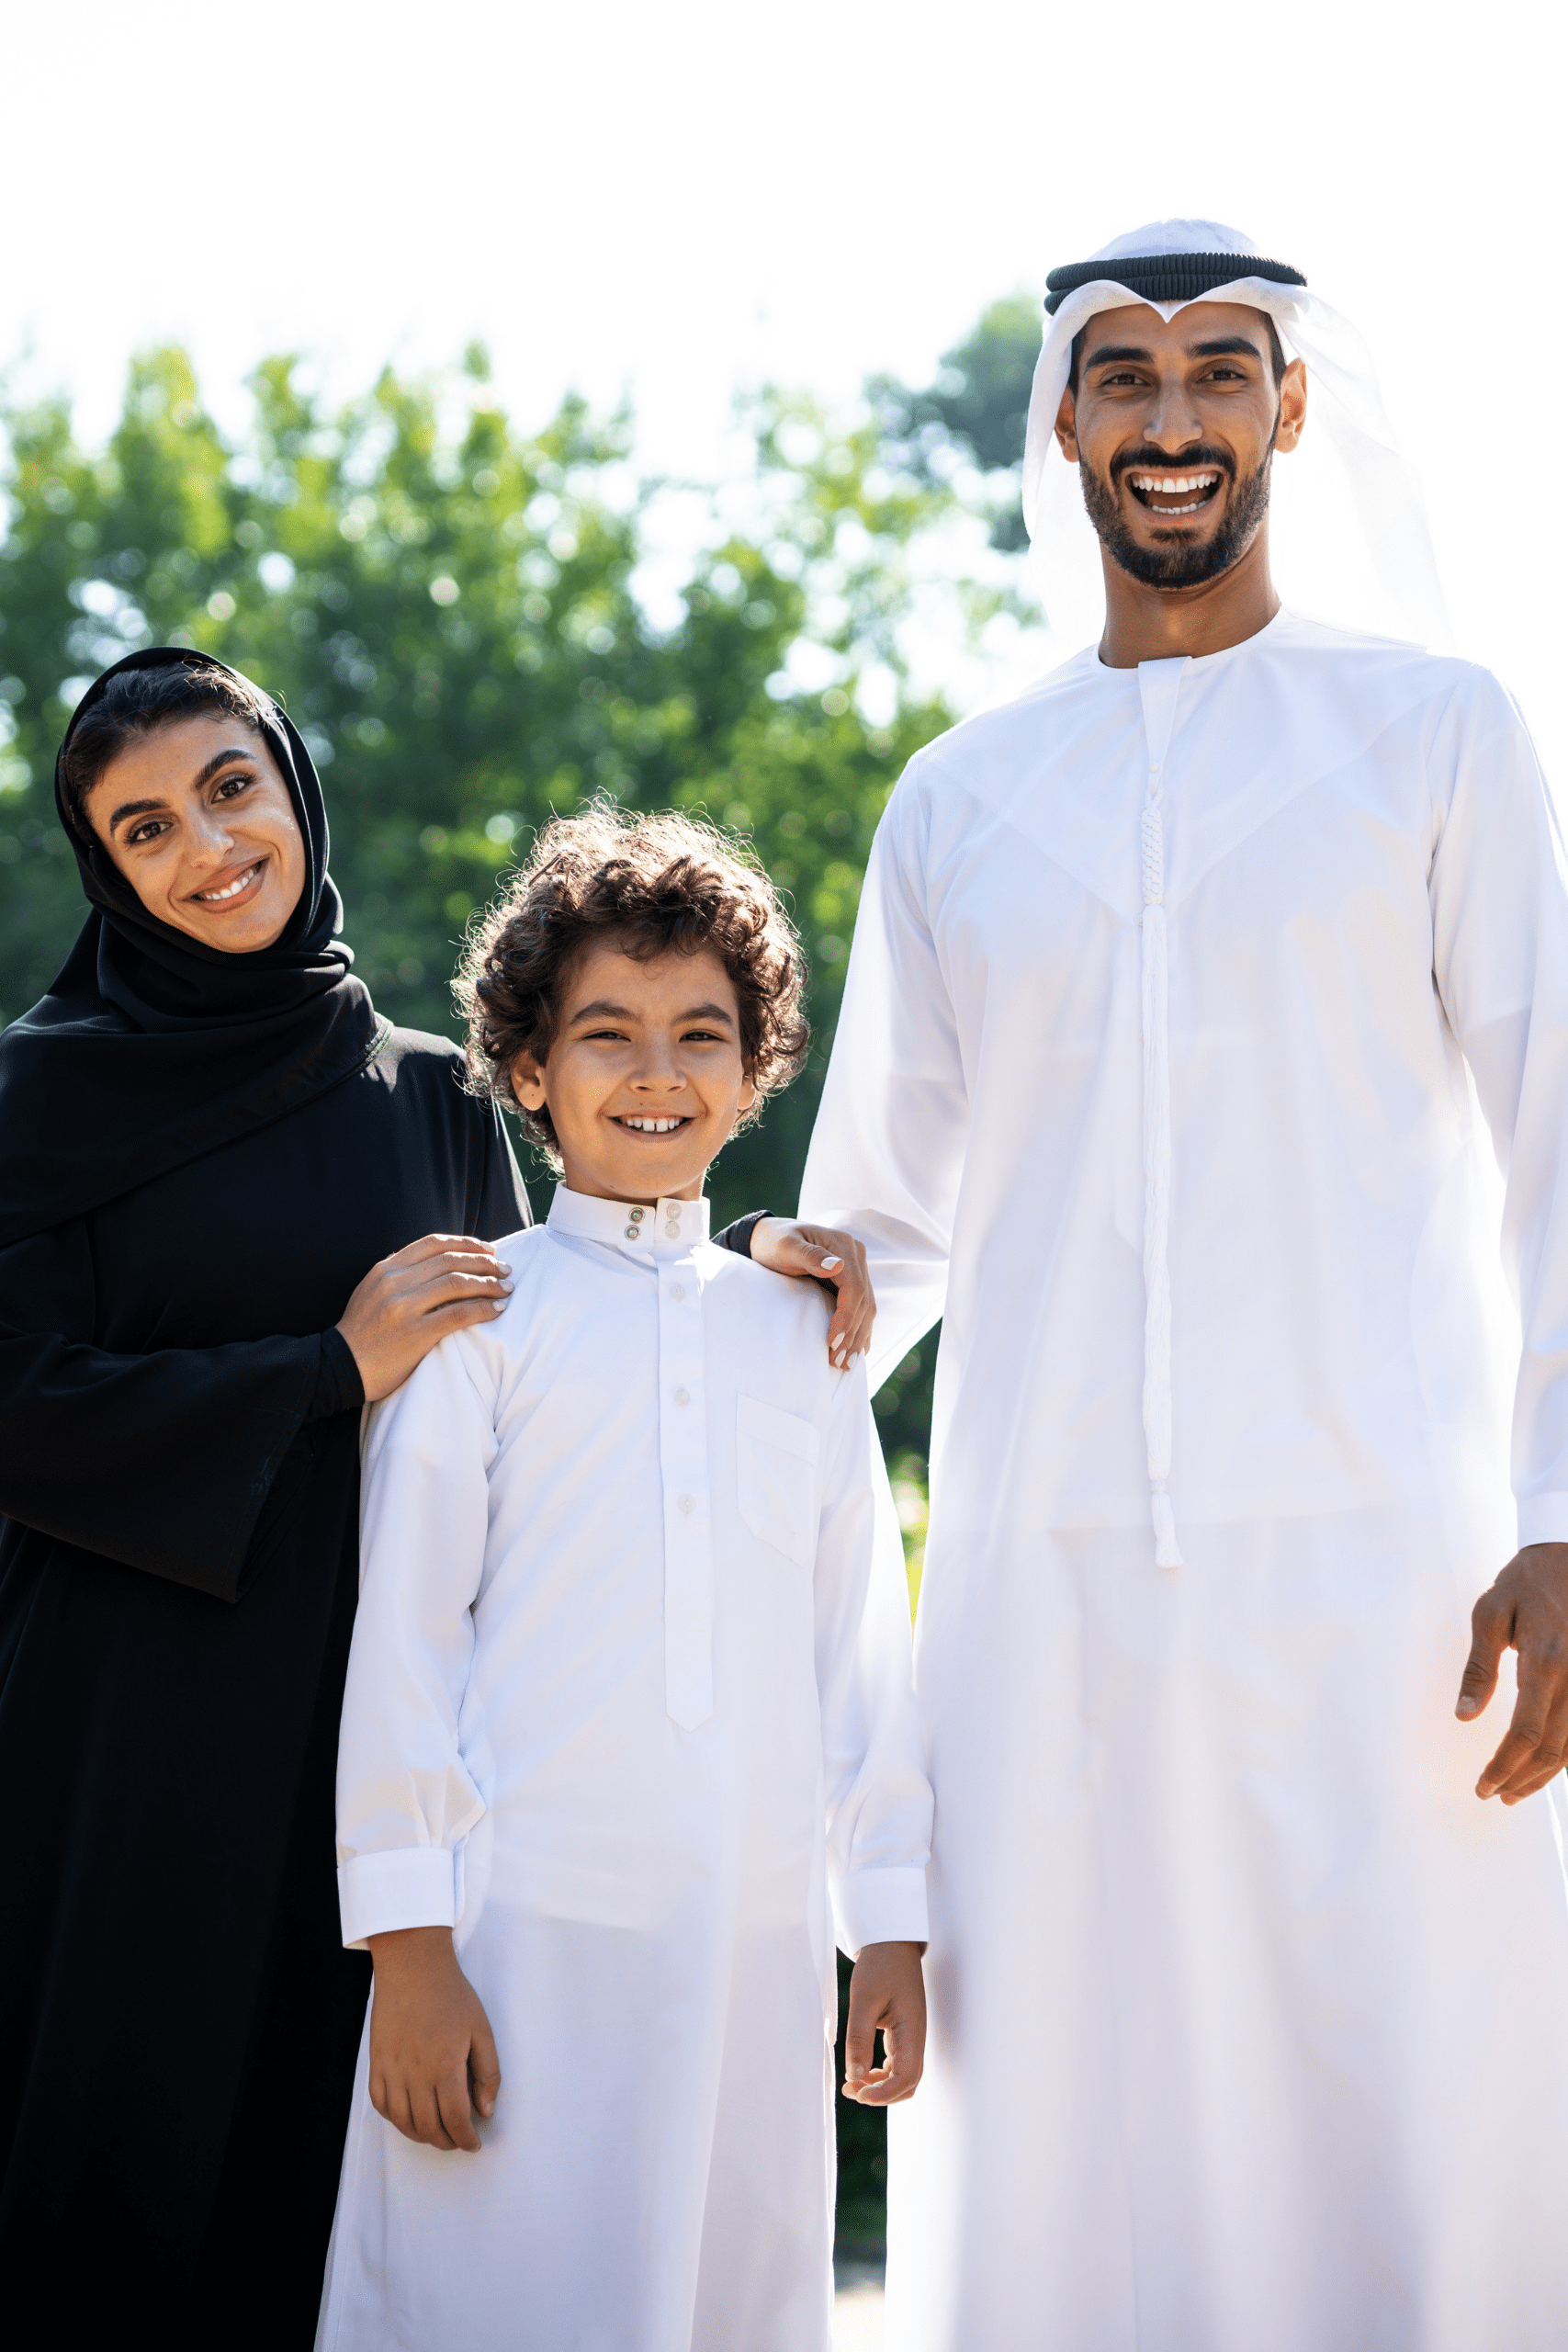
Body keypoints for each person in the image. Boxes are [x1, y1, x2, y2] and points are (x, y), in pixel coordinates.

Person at [798, 220, 1568, 2347]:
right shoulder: (960, 797)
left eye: (1217, 373)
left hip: (1387, 1574)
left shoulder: (1435, 735)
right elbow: (890, 1220)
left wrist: (1560, 1504)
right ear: (1061, 422)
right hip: (1047, 1608)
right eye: (1120, 379)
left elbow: (1556, 1139)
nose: (1169, 420)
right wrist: (782, 1279)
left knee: (1403, 2102)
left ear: (1288, 409)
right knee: (1076, 2135)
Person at [0, 651, 867, 2348]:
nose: (209, 846)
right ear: (107, 869)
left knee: (338, 2205)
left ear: (292, 787)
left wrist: (749, 1252)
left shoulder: (422, 1093)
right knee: (107, 2173)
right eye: (147, 826)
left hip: (372, 1741)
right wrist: (318, 1372)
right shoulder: (38, 1101)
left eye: (231, 786)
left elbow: (559, 1285)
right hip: (129, 1744)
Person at [314, 808, 931, 2352]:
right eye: (607, 1035)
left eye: (699, 1036)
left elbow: (858, 1655)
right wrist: (407, 1949)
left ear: (753, 1068)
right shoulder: (479, 1319)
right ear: (528, 1072)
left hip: (748, 1952)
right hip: (510, 1951)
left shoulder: (804, 1334)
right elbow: (403, 1645)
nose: (655, 1074)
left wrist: (894, 1925)